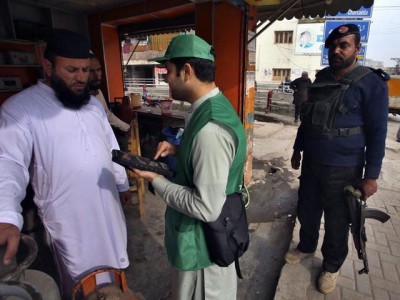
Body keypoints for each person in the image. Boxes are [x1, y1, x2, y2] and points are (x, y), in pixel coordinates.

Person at [0, 28, 131, 298]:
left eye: (85, 70)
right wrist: (6, 217)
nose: (82, 78)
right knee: (81, 286)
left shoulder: (93, 105)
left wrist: (122, 182)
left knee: (115, 278)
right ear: (48, 66)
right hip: (70, 220)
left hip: (108, 209)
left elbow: (112, 148)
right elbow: (8, 163)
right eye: (72, 70)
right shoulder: (20, 110)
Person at [133, 34, 247, 300]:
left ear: (187, 71)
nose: (165, 79)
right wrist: (178, 150)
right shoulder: (207, 107)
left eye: (168, 72)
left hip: (202, 249)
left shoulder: (210, 128)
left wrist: (154, 179)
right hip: (200, 238)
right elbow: (209, 157)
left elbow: (206, 208)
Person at [284, 24, 389, 294]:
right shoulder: (320, 78)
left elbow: (378, 132)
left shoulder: (371, 82)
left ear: (357, 49)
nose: (337, 50)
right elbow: (306, 119)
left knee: (337, 221)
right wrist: (298, 149)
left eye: (344, 45)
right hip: (312, 163)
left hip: (345, 167)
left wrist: (371, 176)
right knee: (307, 210)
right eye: (333, 46)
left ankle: (331, 266)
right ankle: (306, 247)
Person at [89, 53, 130, 151]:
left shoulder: (98, 92)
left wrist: (126, 127)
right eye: (91, 71)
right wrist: (126, 127)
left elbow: (107, 114)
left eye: (99, 70)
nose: (97, 75)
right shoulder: (78, 100)